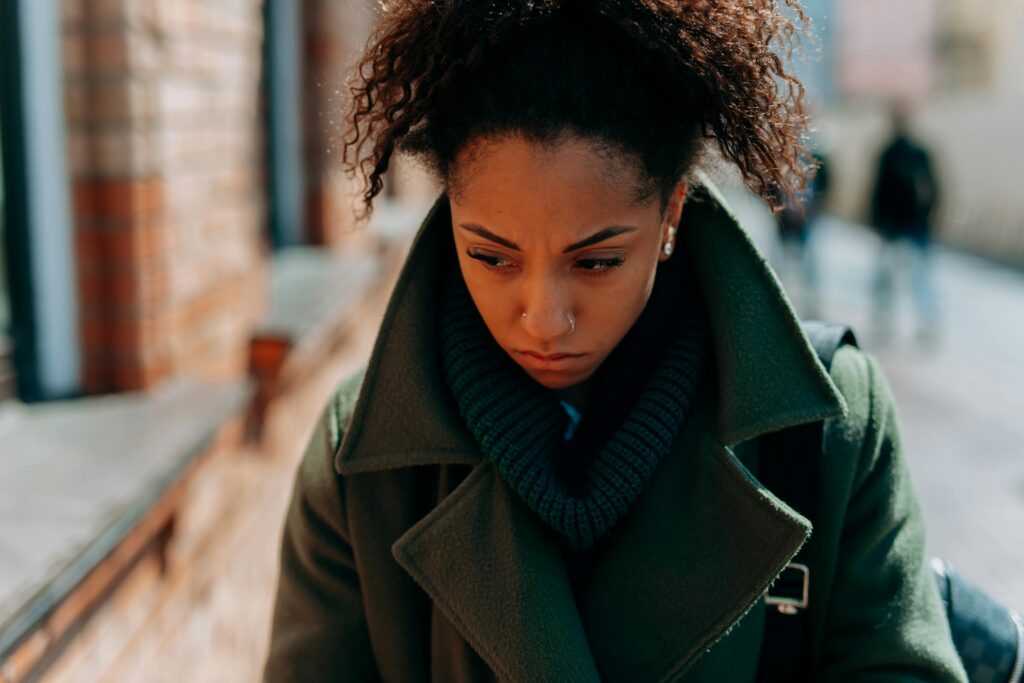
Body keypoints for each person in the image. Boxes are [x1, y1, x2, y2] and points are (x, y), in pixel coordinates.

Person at [263, 2, 966, 681]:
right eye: (492, 256)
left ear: (671, 213)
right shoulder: (363, 463)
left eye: (595, 261)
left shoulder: (829, 430)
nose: (542, 318)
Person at [869, 108, 942, 344]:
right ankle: (884, 319)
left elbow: (933, 188)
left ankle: (927, 323)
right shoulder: (888, 153)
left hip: (912, 225)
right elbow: (877, 190)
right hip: (896, 225)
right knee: (887, 276)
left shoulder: (917, 153)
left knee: (919, 277)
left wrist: (928, 216)